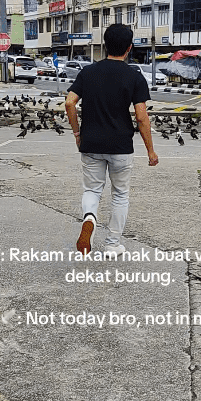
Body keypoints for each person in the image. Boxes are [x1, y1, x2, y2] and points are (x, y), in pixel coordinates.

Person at [65, 23, 158, 257]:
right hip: (121, 146)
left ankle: (89, 218)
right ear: (129, 48)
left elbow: (69, 103)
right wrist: (150, 151)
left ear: (105, 45)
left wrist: (77, 133)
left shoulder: (87, 73)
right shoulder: (134, 77)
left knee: (92, 190)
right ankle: (112, 244)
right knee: (120, 195)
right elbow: (141, 117)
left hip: (91, 143)